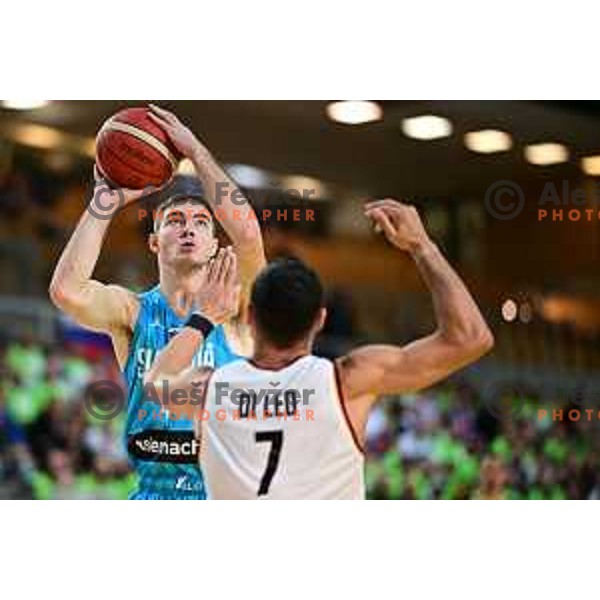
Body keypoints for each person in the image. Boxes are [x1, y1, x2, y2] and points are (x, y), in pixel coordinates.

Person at [146, 198, 494, 499]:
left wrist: (204, 317)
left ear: (250, 316)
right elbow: (470, 338)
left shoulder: (206, 389)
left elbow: (154, 384)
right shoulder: (349, 381)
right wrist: (422, 246)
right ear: (320, 319)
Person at [49, 105, 265, 499]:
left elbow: (249, 237)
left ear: (215, 243)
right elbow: (67, 291)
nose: (189, 228)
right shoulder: (133, 312)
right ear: (154, 241)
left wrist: (197, 153)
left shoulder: (234, 310)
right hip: (152, 494)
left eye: (201, 223)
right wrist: (103, 203)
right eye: (175, 220)